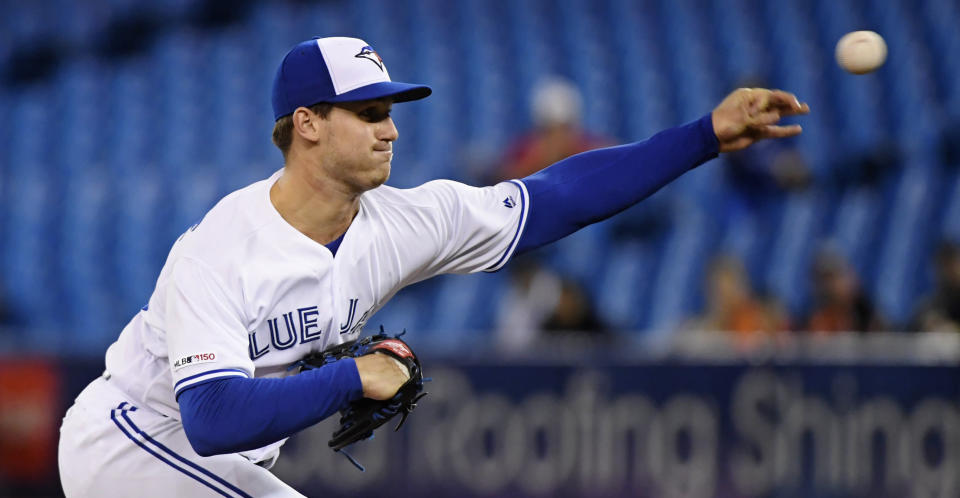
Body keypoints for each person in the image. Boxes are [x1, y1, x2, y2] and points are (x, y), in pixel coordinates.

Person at [57, 36, 808, 497]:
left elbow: (556, 198)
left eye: (392, 111)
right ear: (308, 126)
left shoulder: (401, 222)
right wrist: (352, 376)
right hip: (131, 438)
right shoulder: (219, 250)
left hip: (206, 465)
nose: (392, 130)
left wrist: (704, 134)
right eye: (370, 114)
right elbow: (212, 419)